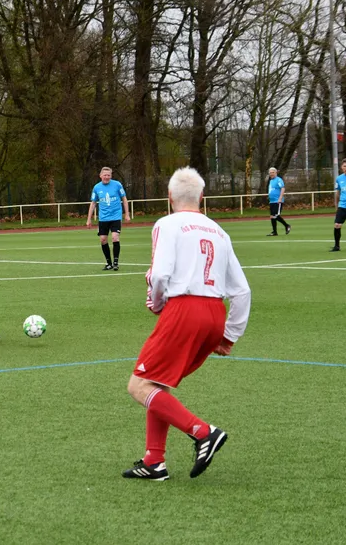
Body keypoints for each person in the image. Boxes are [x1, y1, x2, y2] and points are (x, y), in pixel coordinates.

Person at [122, 167, 251, 482]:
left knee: (138, 386)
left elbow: (161, 275)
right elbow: (243, 291)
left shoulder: (167, 224)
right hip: (214, 314)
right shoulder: (219, 231)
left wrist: (157, 302)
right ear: (202, 197)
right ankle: (155, 461)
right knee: (157, 382)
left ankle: (203, 432)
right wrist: (229, 335)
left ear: (169, 197)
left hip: (185, 309)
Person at [86, 166, 130, 270]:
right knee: (103, 239)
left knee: (115, 237)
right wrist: (89, 219)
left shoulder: (117, 185)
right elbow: (93, 204)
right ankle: (108, 263)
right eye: (105, 175)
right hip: (103, 218)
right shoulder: (97, 187)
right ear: (100, 176)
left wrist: (127, 214)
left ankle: (115, 262)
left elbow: (124, 199)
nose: (107, 177)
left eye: (108, 175)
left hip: (115, 216)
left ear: (111, 176)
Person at [266, 167, 291, 236]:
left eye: (273, 172)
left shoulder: (278, 180)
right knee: (272, 216)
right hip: (272, 201)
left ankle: (287, 225)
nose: (271, 174)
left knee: (275, 216)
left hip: (277, 201)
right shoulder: (271, 181)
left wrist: (280, 198)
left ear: (276, 172)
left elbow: (282, 188)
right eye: (270, 173)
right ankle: (274, 232)